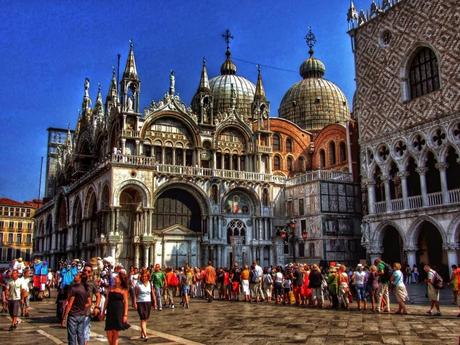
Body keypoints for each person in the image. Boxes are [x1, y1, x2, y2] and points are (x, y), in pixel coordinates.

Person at [61, 271, 91, 345]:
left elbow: (69, 304)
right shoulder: (85, 288)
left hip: (73, 315)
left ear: (80, 278)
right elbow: (89, 303)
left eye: (77, 275)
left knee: (72, 337)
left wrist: (64, 317)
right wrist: (82, 307)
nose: (75, 276)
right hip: (82, 315)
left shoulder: (74, 288)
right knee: (80, 335)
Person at [101, 271, 130, 345]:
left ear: (120, 280)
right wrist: (103, 312)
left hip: (118, 311)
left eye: (117, 277)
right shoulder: (110, 288)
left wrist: (125, 315)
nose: (115, 278)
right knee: (108, 331)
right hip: (110, 311)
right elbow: (106, 301)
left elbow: (126, 303)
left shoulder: (124, 290)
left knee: (115, 331)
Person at [133, 269, 155, 340]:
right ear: (141, 277)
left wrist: (154, 302)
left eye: (145, 276)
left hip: (148, 302)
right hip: (140, 303)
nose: (144, 277)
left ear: (147, 277)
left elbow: (152, 293)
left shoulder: (150, 283)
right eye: (143, 276)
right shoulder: (138, 284)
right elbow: (135, 295)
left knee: (145, 319)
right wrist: (135, 303)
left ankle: (142, 334)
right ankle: (145, 335)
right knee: (143, 319)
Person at [82, 264, 101, 345]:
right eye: (85, 270)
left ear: (90, 273)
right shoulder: (77, 280)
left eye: (88, 271)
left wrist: (96, 307)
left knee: (85, 332)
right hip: (76, 310)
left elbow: (98, 296)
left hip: (86, 310)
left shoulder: (92, 283)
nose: (86, 272)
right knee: (75, 333)